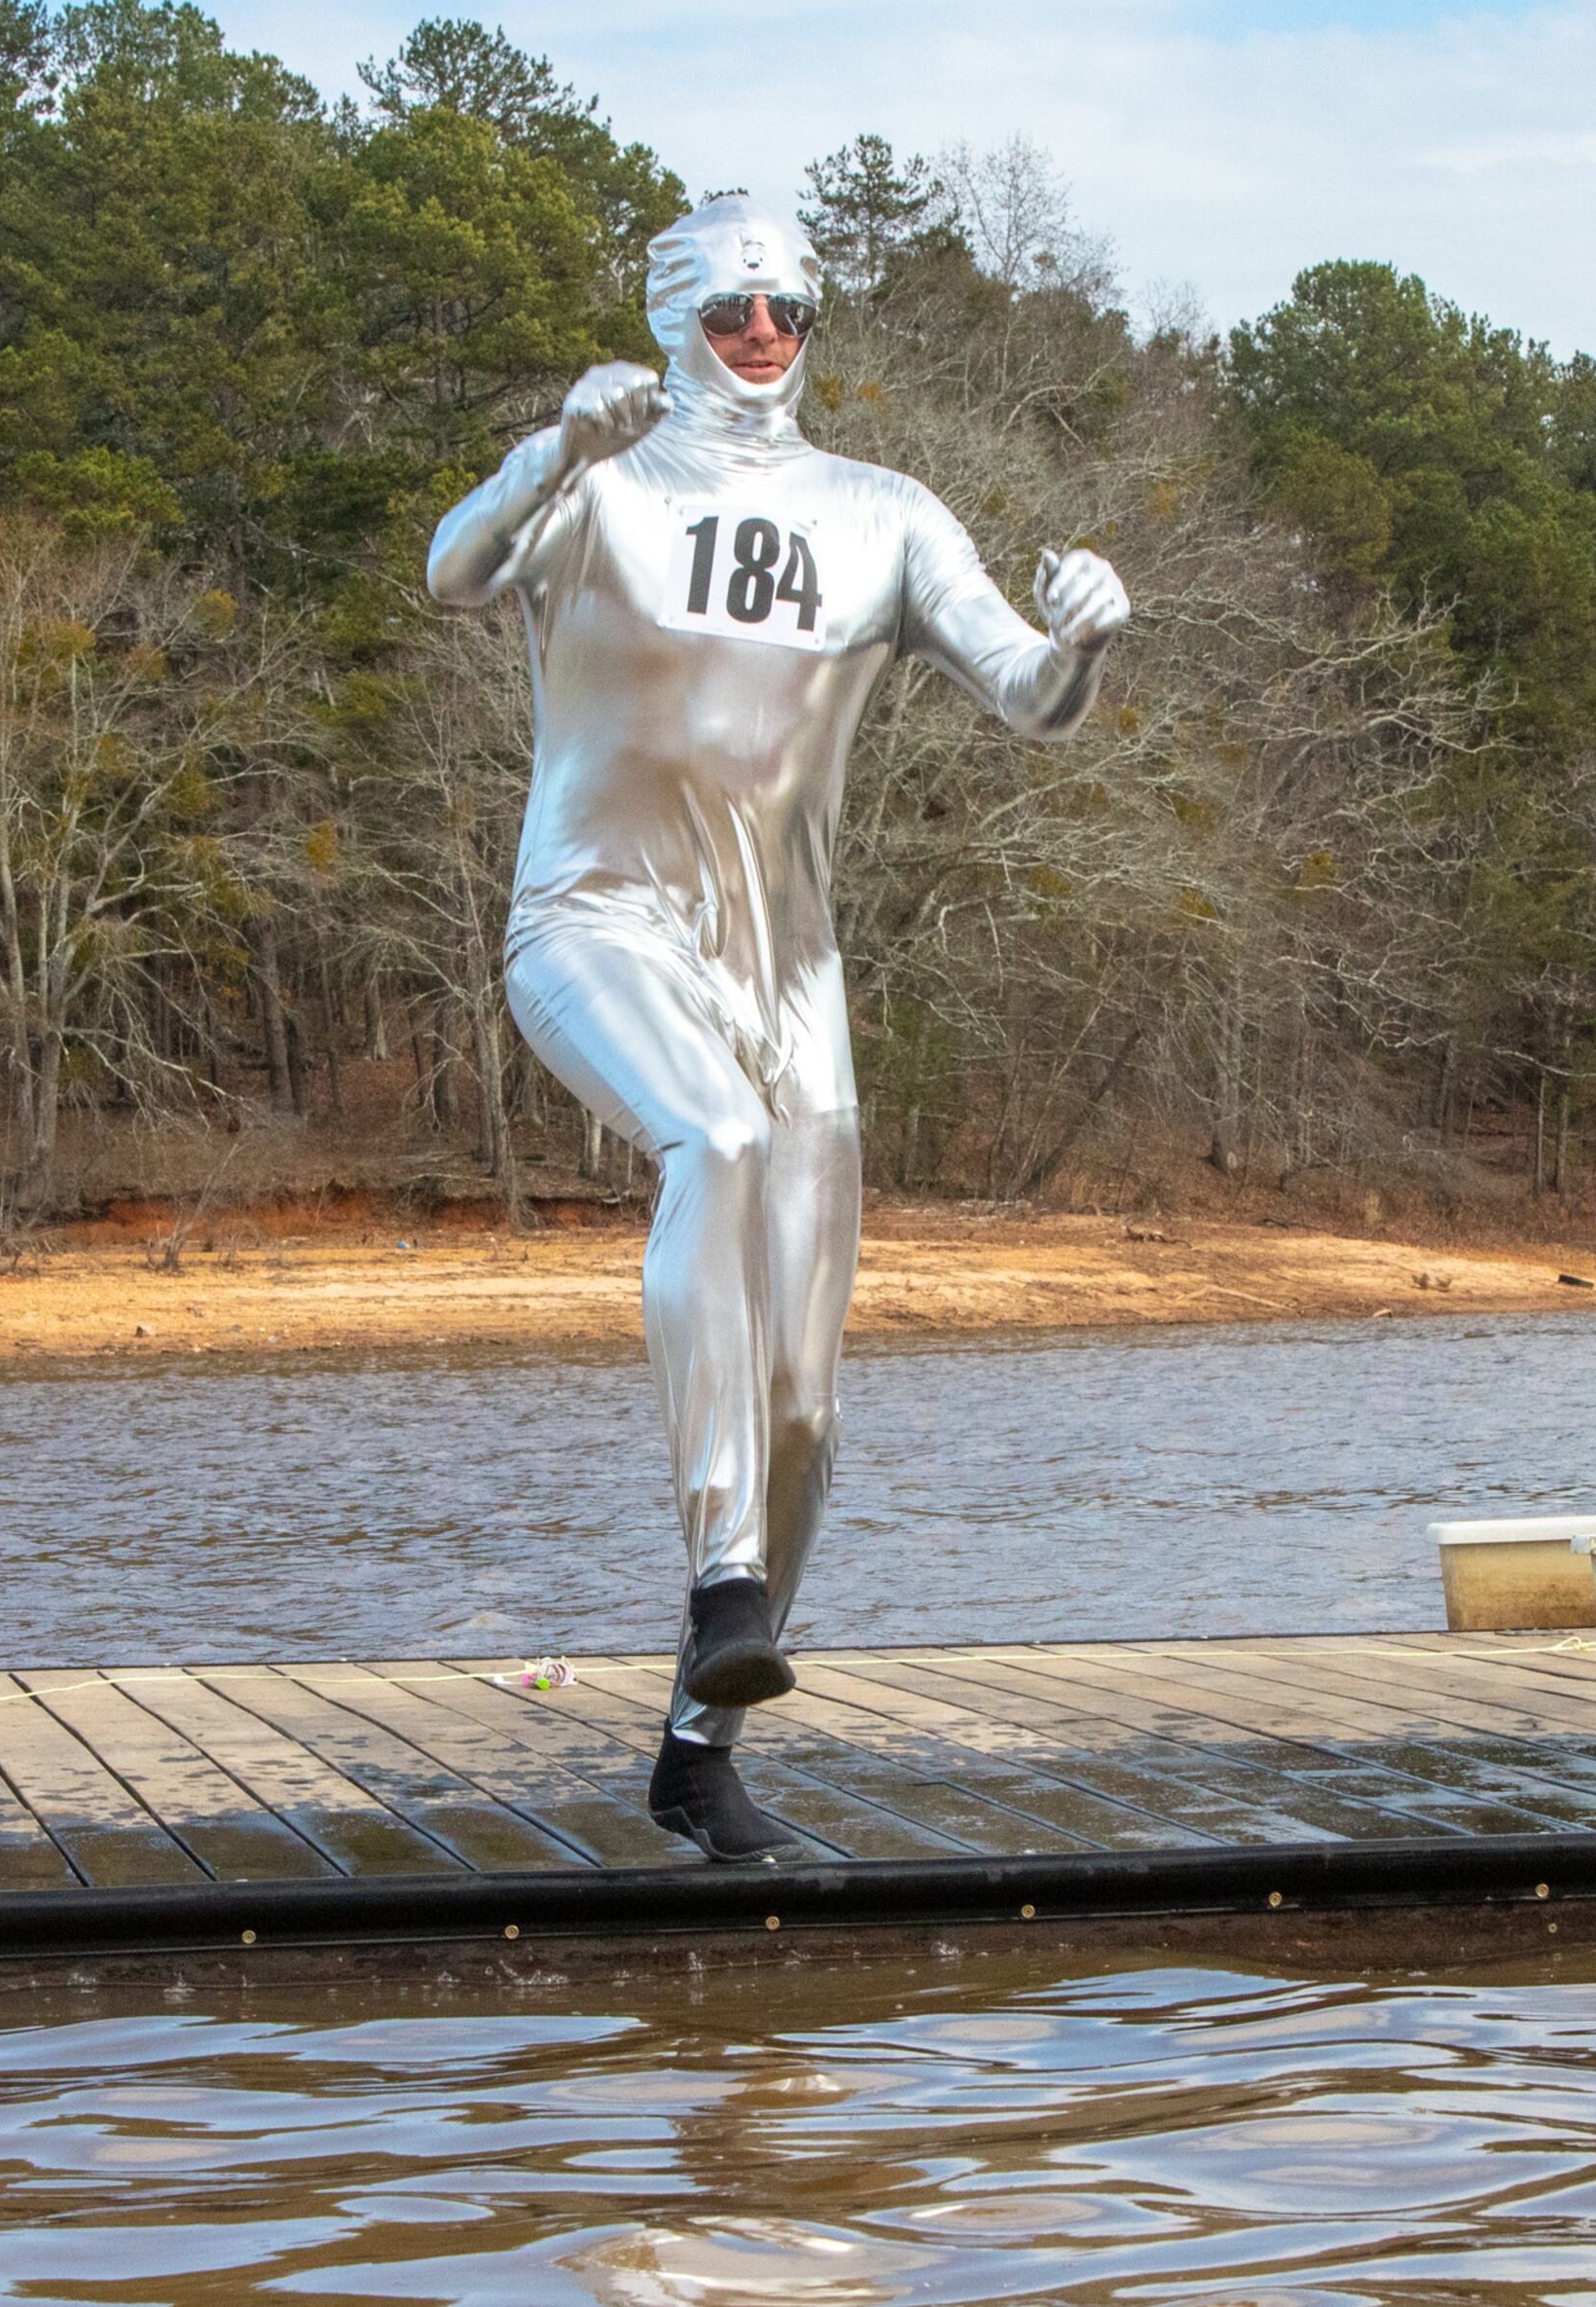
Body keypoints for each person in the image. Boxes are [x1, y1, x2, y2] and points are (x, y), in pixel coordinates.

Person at [426, 195, 1129, 1859]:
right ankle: (725, 1572)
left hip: (788, 972)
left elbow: (1027, 695)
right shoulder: (598, 476)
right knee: (710, 1139)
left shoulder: (880, 515)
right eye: (736, 307)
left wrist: (1086, 636)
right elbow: (451, 572)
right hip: (594, 923)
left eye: (791, 311)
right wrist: (547, 451)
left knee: (810, 1401)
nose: (765, 337)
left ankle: (696, 1744)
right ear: (677, 316)